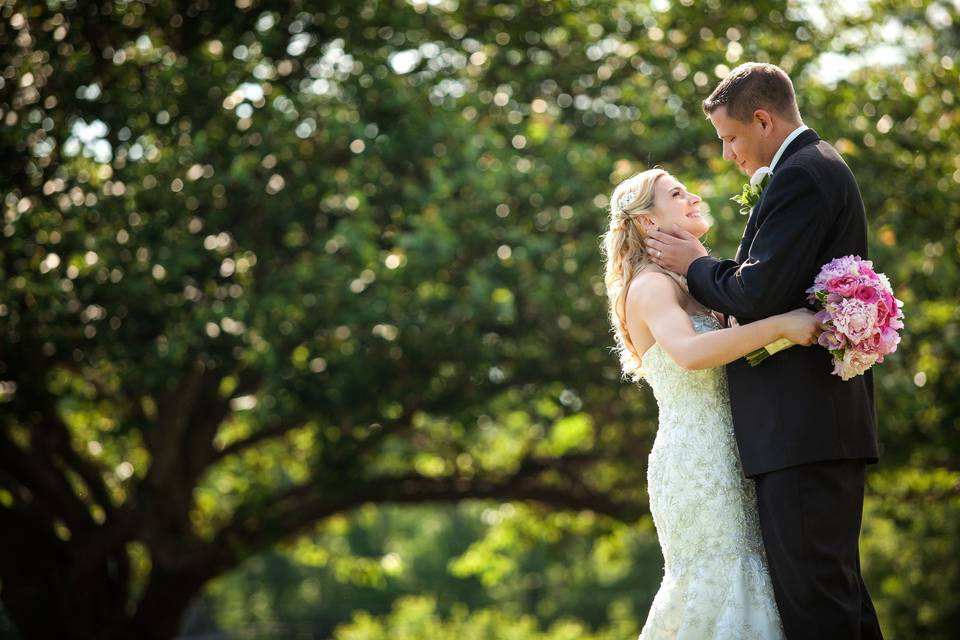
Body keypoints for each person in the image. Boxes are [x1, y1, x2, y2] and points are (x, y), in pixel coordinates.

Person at [643, 62, 883, 638]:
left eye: (730, 138)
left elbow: (757, 292)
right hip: (806, 430)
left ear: (762, 119)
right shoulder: (813, 167)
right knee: (836, 598)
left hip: (803, 429)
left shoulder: (801, 173)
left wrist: (697, 266)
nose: (727, 154)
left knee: (818, 606)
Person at [601, 167, 821, 638]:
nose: (694, 197)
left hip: (738, 452)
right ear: (646, 223)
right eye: (677, 194)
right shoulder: (650, 285)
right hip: (697, 461)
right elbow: (690, 353)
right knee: (722, 580)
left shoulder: (695, 282)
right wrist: (782, 325)